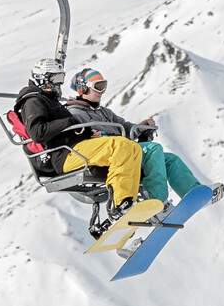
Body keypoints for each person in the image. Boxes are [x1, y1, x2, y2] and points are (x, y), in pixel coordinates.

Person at [63, 67, 224, 208]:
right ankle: (155, 200)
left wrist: (141, 127)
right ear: (82, 89)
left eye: (103, 86)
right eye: (98, 87)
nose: (102, 91)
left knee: (170, 160)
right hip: (106, 157)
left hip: (125, 151)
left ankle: (193, 194)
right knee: (153, 149)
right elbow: (86, 140)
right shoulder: (76, 113)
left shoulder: (103, 112)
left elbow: (126, 127)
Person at [14, 58, 145, 225]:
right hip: (64, 155)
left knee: (132, 148)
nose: (59, 83)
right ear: (42, 78)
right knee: (120, 145)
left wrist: (89, 131)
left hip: (75, 148)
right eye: (55, 79)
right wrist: (69, 122)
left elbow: (70, 128)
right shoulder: (33, 101)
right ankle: (119, 205)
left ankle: (127, 200)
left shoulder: (49, 99)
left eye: (61, 78)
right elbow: (37, 132)